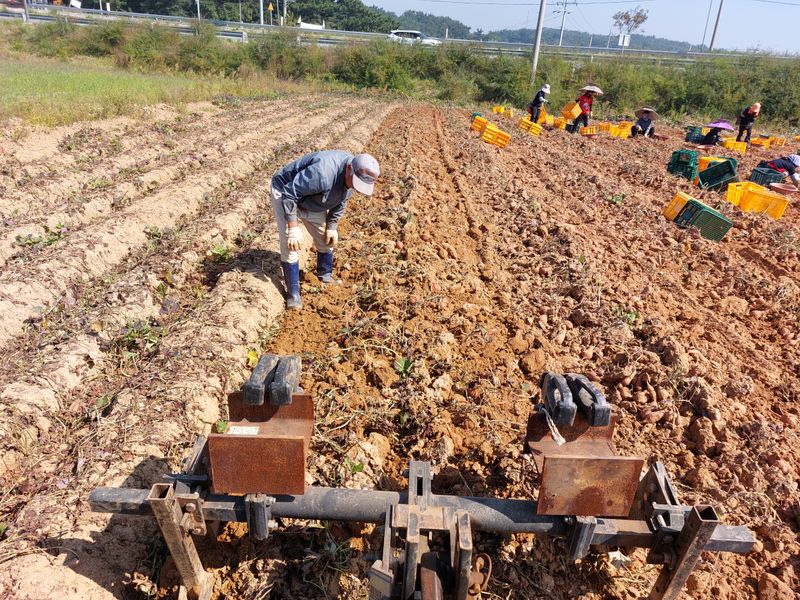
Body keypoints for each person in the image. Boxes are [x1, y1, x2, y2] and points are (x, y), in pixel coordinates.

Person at [271, 151, 380, 310]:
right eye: (356, 182)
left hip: (313, 198)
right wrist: (293, 228)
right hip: (286, 193)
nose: (356, 187)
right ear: (349, 168)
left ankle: (325, 275)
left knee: (325, 240)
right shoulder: (322, 174)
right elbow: (290, 194)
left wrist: (332, 226)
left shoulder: (352, 179)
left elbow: (341, 200)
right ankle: (293, 294)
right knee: (290, 244)